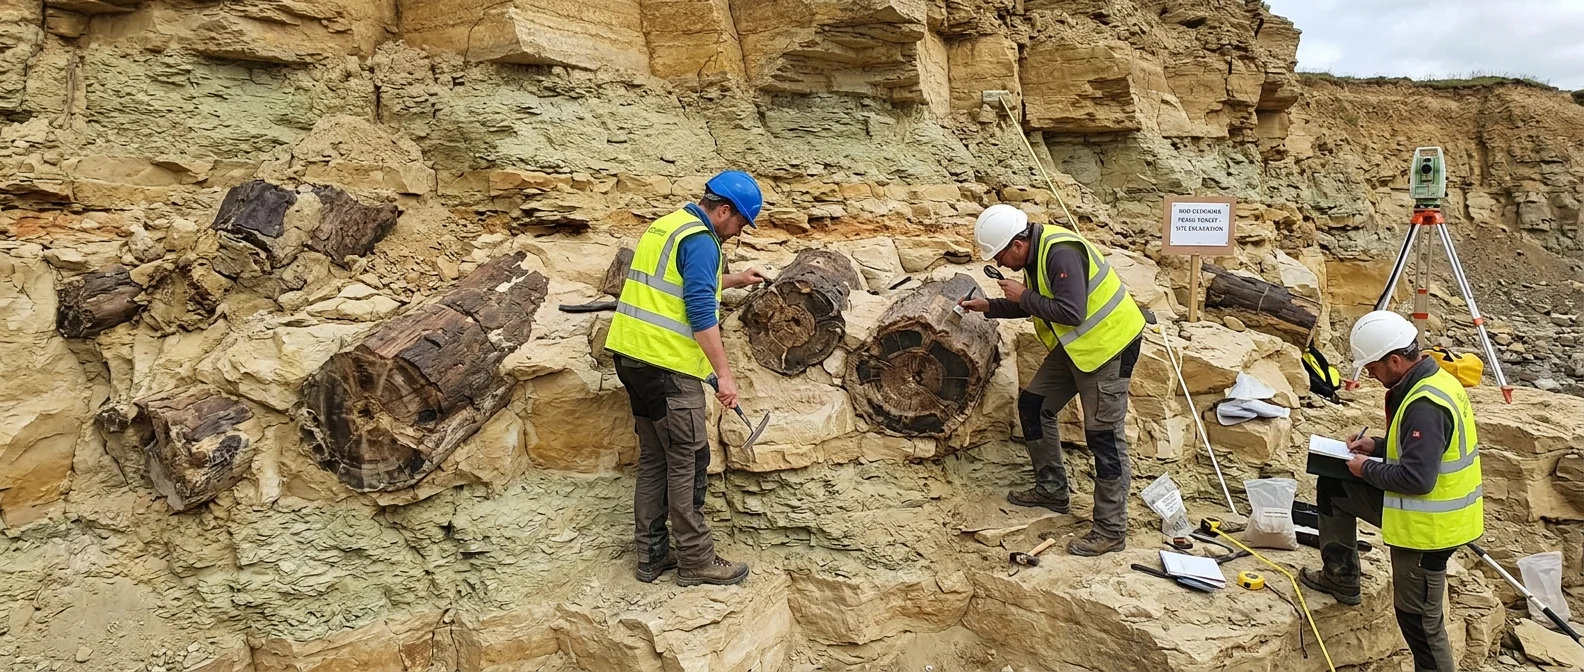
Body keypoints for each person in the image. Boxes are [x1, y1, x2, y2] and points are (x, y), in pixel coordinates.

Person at [605, 170, 770, 586]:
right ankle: (696, 560)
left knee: (655, 459)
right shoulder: (701, 240)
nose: (738, 233)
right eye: (741, 223)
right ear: (724, 210)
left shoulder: (668, 226)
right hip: (668, 368)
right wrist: (724, 375)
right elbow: (698, 310)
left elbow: (679, 283)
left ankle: (651, 556)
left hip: (632, 358)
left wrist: (735, 279)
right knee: (688, 461)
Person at [958, 204, 1146, 556]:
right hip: (1078, 347)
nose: (999, 263)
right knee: (1034, 405)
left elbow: (1070, 312)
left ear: (1017, 244)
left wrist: (1023, 295)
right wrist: (991, 306)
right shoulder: (1036, 254)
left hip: (1110, 346)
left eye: (1000, 255)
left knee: (1104, 437)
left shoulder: (1061, 253)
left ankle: (1111, 530)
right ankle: (1052, 489)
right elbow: (1039, 303)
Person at [1301, 310, 1483, 672]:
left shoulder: (1425, 404)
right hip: (1426, 515)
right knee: (1334, 485)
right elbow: (1425, 451)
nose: (1371, 374)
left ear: (1396, 360)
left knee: (1421, 625)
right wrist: (1378, 447)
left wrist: (1366, 468)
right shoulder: (1433, 380)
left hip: (1429, 530)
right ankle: (1341, 577)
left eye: (1373, 367)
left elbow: (1418, 479)